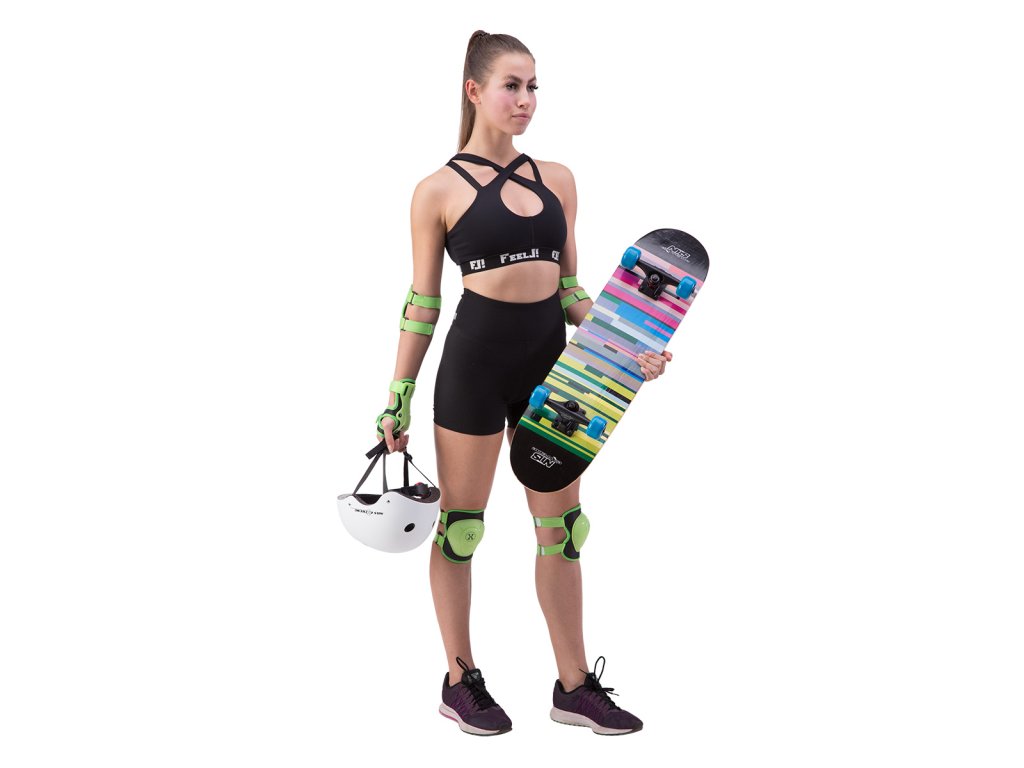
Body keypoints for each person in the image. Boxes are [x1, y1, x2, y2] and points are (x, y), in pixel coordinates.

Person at [375, 30, 672, 736]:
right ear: (474, 90)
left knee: (563, 531)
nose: (526, 100)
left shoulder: (558, 179)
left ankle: (573, 687)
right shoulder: (436, 191)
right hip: (474, 370)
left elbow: (572, 293)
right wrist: (397, 398)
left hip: (554, 372)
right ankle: (460, 681)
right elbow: (422, 303)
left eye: (533, 86)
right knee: (462, 528)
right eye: (512, 85)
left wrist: (628, 347)